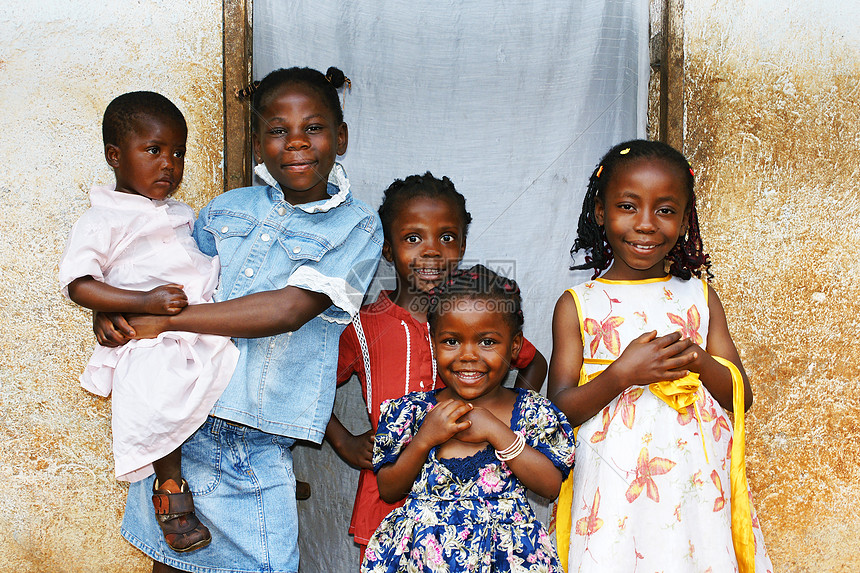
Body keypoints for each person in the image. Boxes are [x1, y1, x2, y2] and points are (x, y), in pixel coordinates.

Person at [95, 67, 383, 573]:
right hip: (183, 422)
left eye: (313, 128)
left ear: (341, 137)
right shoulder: (227, 208)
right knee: (174, 561)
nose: (295, 143)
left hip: (254, 430)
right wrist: (113, 306)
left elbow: (291, 310)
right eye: (277, 130)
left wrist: (167, 324)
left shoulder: (358, 226)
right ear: (256, 146)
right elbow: (166, 273)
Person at [547, 140, 773, 572]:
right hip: (615, 483)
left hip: (694, 481)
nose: (646, 224)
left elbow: (741, 397)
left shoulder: (700, 297)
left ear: (685, 220)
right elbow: (557, 410)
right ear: (600, 212)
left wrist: (700, 361)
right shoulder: (579, 304)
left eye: (665, 210)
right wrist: (620, 376)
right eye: (628, 207)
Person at [326, 173, 549, 564]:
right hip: (390, 498)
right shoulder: (363, 325)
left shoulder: (476, 319)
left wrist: (513, 422)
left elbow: (533, 361)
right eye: (413, 238)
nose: (431, 251)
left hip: (474, 505)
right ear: (388, 249)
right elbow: (309, 383)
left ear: (462, 245)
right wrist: (342, 439)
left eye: (446, 237)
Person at [59, 91, 239, 553]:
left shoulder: (177, 212)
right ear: (115, 157)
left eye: (178, 153)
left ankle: (251, 471)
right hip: (150, 333)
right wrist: (141, 300)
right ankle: (171, 491)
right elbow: (79, 283)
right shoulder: (103, 218)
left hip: (197, 319)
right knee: (154, 392)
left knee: (240, 364)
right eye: (154, 151)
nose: (169, 164)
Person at [360, 265, 574, 573]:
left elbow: (550, 486)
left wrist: (498, 432)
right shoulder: (411, 413)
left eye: (487, 342)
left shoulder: (532, 413)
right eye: (451, 341)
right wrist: (424, 440)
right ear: (433, 342)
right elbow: (389, 489)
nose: (468, 355)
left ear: (514, 346)